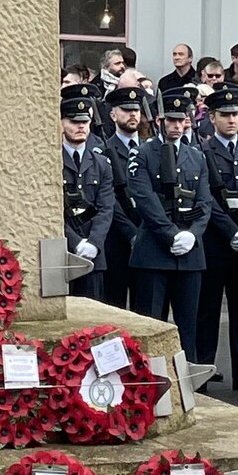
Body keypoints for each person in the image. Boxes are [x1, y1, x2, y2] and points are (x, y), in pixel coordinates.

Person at [127, 88, 211, 354]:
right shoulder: (142, 154)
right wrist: (170, 234)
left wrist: (192, 234)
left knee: (189, 326)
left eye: (181, 119)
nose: (176, 125)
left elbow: (204, 202)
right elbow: (145, 198)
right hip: (154, 250)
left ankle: (190, 380)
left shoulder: (196, 155)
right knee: (150, 325)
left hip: (189, 254)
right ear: (160, 121)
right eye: (171, 120)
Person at [196, 82, 238, 389]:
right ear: (212, 117)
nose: (232, 119)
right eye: (225, 114)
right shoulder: (203, 151)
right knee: (207, 313)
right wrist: (232, 230)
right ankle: (204, 373)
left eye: (235, 113)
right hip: (216, 241)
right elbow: (206, 198)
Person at [61, 82, 114, 300]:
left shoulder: (100, 163)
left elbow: (106, 207)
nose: (80, 126)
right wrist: (75, 242)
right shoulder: (52, 161)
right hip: (63, 252)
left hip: (94, 254)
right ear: (62, 123)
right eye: (74, 122)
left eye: (84, 121)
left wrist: (94, 242)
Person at [98, 82, 146, 310]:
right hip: (116, 240)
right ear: (113, 113)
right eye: (126, 110)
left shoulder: (151, 149)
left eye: (136, 109)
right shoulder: (103, 150)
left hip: (147, 237)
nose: (133, 114)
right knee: (113, 307)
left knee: (145, 310)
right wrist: (130, 232)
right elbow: (107, 199)